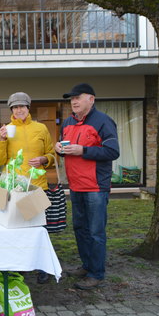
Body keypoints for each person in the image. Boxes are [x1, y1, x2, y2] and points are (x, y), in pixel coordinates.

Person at [56, 83, 120, 290]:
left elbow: (112, 152)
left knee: (95, 232)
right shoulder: (67, 122)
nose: (73, 101)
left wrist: (83, 150)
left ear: (91, 99)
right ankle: (86, 266)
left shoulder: (103, 121)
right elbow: (65, 147)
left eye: (78, 97)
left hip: (95, 187)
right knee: (80, 229)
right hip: (75, 185)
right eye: (71, 98)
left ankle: (96, 274)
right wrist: (59, 149)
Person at [0, 92, 55, 283]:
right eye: (15, 107)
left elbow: (52, 154)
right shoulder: (7, 130)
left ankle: (41, 266)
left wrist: (45, 159)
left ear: (28, 108)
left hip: (35, 187)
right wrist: (1, 140)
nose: (19, 110)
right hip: (13, 188)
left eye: (22, 106)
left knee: (36, 229)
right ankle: (17, 266)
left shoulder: (41, 128)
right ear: (11, 110)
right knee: (14, 229)